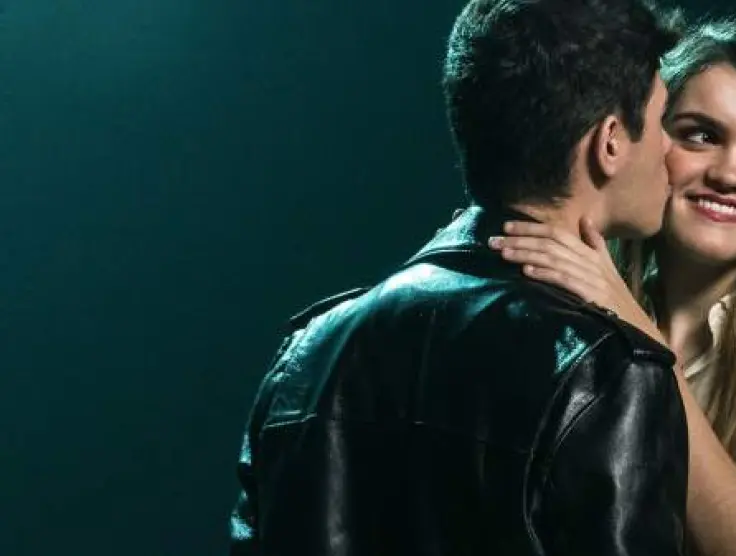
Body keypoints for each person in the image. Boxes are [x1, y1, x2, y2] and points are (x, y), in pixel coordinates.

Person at [227, 1, 689, 555]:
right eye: (662, 121)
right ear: (610, 141)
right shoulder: (608, 373)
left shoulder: (307, 356)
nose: (671, 150)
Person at [489, 17, 736, 556]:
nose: (728, 175)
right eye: (702, 135)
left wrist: (636, 333)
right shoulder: (584, 311)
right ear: (645, 140)